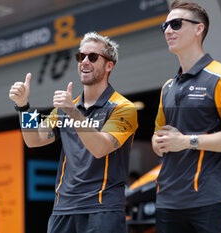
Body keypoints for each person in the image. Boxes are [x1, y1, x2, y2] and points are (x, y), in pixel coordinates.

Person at [9, 31, 138, 233]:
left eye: (93, 57)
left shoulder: (123, 107)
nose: (84, 61)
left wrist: (73, 112)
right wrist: (24, 106)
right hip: (64, 208)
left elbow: (100, 148)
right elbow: (34, 139)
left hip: (102, 209)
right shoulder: (67, 107)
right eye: (81, 56)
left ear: (109, 65)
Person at [152, 1, 221, 232]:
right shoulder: (167, 87)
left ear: (199, 29)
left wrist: (186, 141)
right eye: (165, 25)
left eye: (176, 24)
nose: (167, 30)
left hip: (209, 199)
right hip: (167, 202)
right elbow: (158, 141)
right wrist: (159, 143)